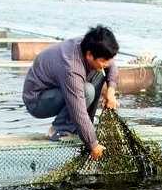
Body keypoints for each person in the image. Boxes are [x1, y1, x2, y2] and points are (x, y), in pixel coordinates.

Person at [22, 26, 121, 161]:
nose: (106, 63)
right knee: (87, 91)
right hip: (37, 100)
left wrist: (111, 92)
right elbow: (78, 110)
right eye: (103, 60)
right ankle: (59, 129)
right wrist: (93, 144)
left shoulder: (89, 44)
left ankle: (86, 127)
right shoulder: (71, 67)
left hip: (58, 89)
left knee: (99, 73)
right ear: (89, 55)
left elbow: (111, 64)